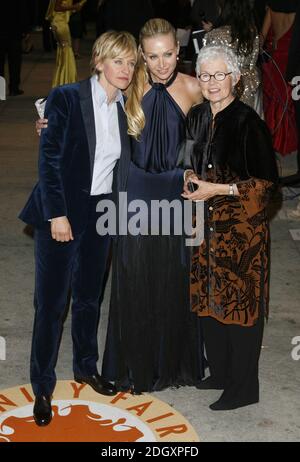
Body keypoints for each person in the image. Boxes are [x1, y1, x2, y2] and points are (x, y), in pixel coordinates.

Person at [19, 31, 137, 426]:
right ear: (100, 60)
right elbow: (49, 160)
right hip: (63, 211)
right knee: (51, 305)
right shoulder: (67, 97)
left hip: (101, 212)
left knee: (88, 298)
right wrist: (57, 215)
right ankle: (42, 387)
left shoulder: (127, 107)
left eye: (131, 62)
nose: (125, 69)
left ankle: (86, 367)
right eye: (118, 61)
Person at [101, 18, 206, 394]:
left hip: (176, 199)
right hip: (134, 197)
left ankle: (171, 365)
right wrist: (50, 123)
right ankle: (136, 367)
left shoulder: (195, 88)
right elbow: (89, 108)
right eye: (152, 56)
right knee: (134, 282)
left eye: (168, 54)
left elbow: (211, 137)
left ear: (179, 51)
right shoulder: (131, 85)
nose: (162, 63)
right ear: (142, 57)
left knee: (173, 280)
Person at [182, 44, 278, 410]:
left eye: (220, 75)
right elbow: (185, 158)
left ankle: (243, 389)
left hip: (241, 233)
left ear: (235, 79)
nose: (213, 82)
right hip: (203, 229)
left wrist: (218, 189)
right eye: (206, 75)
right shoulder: (196, 116)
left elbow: (268, 186)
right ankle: (220, 372)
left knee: (240, 308)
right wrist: (189, 176)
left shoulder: (249, 123)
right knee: (209, 301)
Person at [202, 0, 262, 114]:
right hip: (249, 85)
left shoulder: (215, 34)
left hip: (225, 85)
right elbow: (253, 61)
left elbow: (208, 63)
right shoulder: (251, 31)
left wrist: (209, 33)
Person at [261, 0, 298, 155]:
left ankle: (274, 139)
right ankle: (287, 142)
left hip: (275, 57)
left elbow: (261, 37)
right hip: (292, 59)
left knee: (275, 99)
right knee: (289, 100)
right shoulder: (296, 8)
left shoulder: (272, 6)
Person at [46, 0, 85, 87]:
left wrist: (74, 8)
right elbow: (57, 7)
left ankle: (63, 79)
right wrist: (74, 7)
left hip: (59, 22)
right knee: (67, 51)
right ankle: (68, 79)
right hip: (60, 23)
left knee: (63, 52)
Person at [0, 1, 30, 96]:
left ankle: (1, 90)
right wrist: (25, 30)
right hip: (14, 31)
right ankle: (14, 88)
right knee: (15, 62)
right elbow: (22, 13)